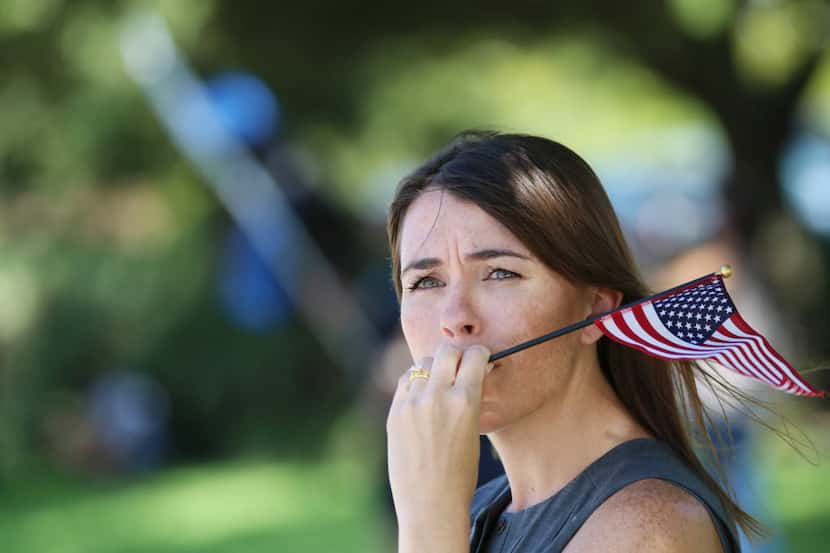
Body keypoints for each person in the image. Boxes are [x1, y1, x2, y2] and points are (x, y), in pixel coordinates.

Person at [384, 131, 760, 552]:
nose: (455, 319)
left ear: (596, 308)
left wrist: (428, 526)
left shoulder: (644, 527)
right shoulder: (482, 510)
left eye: (500, 273)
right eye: (426, 281)